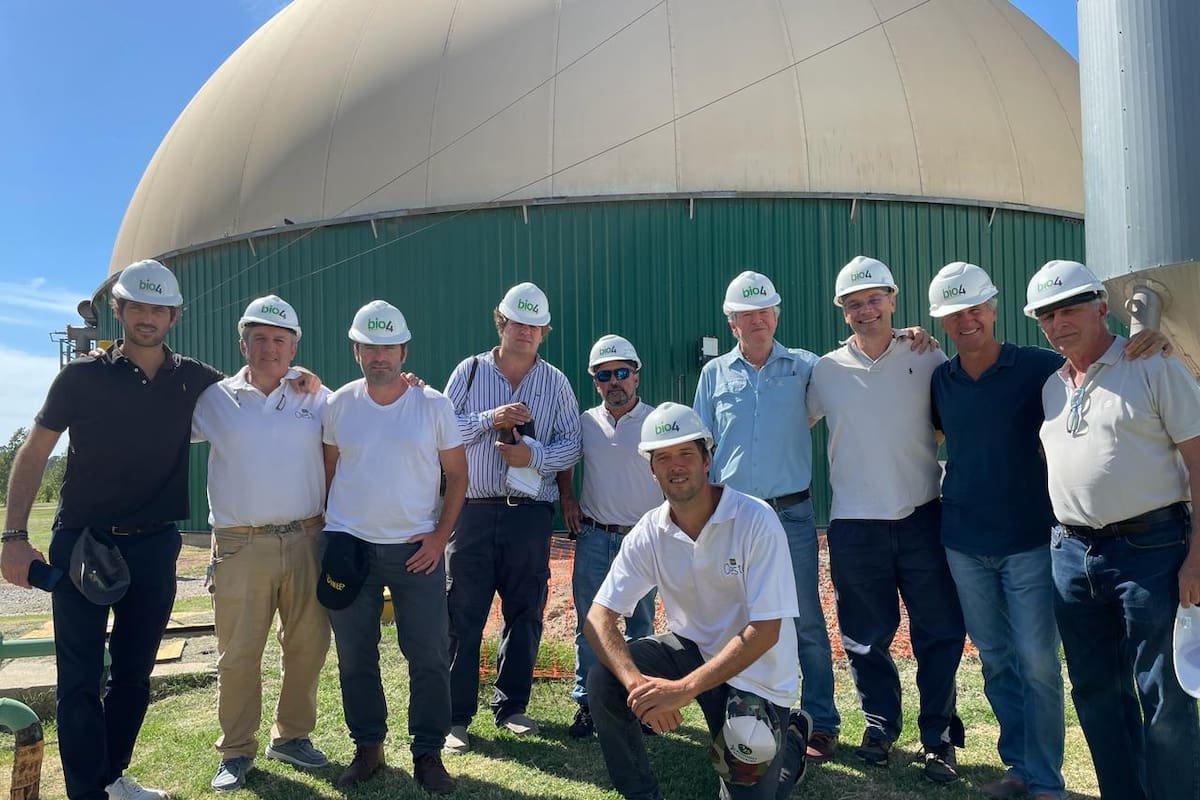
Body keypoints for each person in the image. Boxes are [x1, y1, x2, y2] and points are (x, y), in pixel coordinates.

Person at [0, 260, 222, 800]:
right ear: (119, 311)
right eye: (137, 307)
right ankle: (86, 793)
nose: (147, 318)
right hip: (82, 541)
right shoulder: (79, 378)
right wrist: (12, 538)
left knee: (133, 676)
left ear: (174, 315)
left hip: (154, 543)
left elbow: (260, 393)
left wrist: (300, 377)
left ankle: (110, 776)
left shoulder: (194, 379)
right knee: (78, 681)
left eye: (158, 309)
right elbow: (34, 452)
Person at [1026, 259, 1200, 800]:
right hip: (1072, 553)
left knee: (1163, 694)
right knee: (1097, 691)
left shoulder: (1151, 363)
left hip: (1152, 547)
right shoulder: (1053, 386)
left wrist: (1198, 557)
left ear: (1103, 306)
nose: (1058, 323)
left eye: (1070, 308)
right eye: (1046, 316)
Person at [584, 402, 811, 800]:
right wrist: (637, 685)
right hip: (691, 652)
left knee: (748, 778)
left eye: (686, 453)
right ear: (651, 469)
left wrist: (681, 690)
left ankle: (790, 742)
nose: (676, 466)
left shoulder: (755, 519)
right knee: (604, 679)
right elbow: (598, 618)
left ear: (707, 459)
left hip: (756, 672)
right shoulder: (649, 532)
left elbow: (765, 631)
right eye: (663, 457)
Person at [806, 255, 966, 783]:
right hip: (854, 523)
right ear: (842, 312)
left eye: (875, 299)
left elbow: (948, 422)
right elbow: (794, 422)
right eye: (854, 304)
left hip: (921, 514)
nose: (865, 310)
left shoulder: (927, 353)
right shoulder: (825, 371)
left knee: (939, 630)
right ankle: (879, 726)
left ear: (894, 300)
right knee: (864, 635)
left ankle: (938, 736)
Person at [926, 263, 1066, 800]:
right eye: (953, 314)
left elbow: (1093, 369)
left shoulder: (1039, 367)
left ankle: (1047, 780)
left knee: (1035, 660)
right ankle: (1020, 768)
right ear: (940, 322)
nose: (966, 320)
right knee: (995, 657)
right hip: (963, 539)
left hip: (1029, 536)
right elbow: (940, 434)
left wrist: (1147, 341)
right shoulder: (943, 378)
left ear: (993, 307)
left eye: (974, 308)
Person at [691, 271, 840, 762]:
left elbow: (857, 369)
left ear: (776, 314)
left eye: (765, 311)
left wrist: (905, 339)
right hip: (731, 515)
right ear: (731, 322)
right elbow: (700, 446)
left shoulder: (805, 368)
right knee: (733, 617)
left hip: (789, 514)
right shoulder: (715, 375)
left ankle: (820, 721)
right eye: (746, 314)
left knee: (804, 619)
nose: (757, 320)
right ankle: (742, 713)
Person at [320, 300, 467, 793]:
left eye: (389, 347)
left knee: (427, 654)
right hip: (351, 550)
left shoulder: (434, 405)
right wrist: (334, 530)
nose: (379, 356)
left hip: (415, 553)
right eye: (370, 347)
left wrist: (439, 535)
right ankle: (368, 748)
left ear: (404, 350)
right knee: (355, 656)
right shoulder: (339, 404)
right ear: (356, 350)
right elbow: (329, 470)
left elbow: (458, 476)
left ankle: (428, 752)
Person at [190, 295, 332, 792]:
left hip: (306, 538)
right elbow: (156, 431)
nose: (270, 348)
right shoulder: (214, 399)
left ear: (294, 346)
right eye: (260, 339)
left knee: (308, 646)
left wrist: (411, 385)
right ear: (242, 342)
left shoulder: (317, 397)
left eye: (279, 340)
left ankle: (291, 736)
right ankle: (235, 749)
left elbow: (367, 421)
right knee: (239, 653)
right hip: (239, 544)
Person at [442, 282, 581, 753]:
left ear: (544, 332)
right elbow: (442, 430)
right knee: (463, 612)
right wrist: (491, 417)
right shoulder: (471, 371)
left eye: (534, 326)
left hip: (528, 515)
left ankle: (511, 706)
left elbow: (572, 445)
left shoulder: (556, 382)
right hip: (474, 511)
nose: (524, 332)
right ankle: (455, 717)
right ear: (501, 323)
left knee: (525, 611)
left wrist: (533, 455)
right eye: (516, 323)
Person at [557, 334, 660, 739]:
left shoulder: (654, 422)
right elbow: (565, 460)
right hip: (595, 537)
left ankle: (642, 703)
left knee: (640, 627)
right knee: (591, 626)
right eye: (604, 375)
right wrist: (567, 497)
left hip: (642, 539)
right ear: (595, 381)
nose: (614, 381)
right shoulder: (585, 422)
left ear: (636, 377)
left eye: (621, 373)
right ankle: (587, 704)